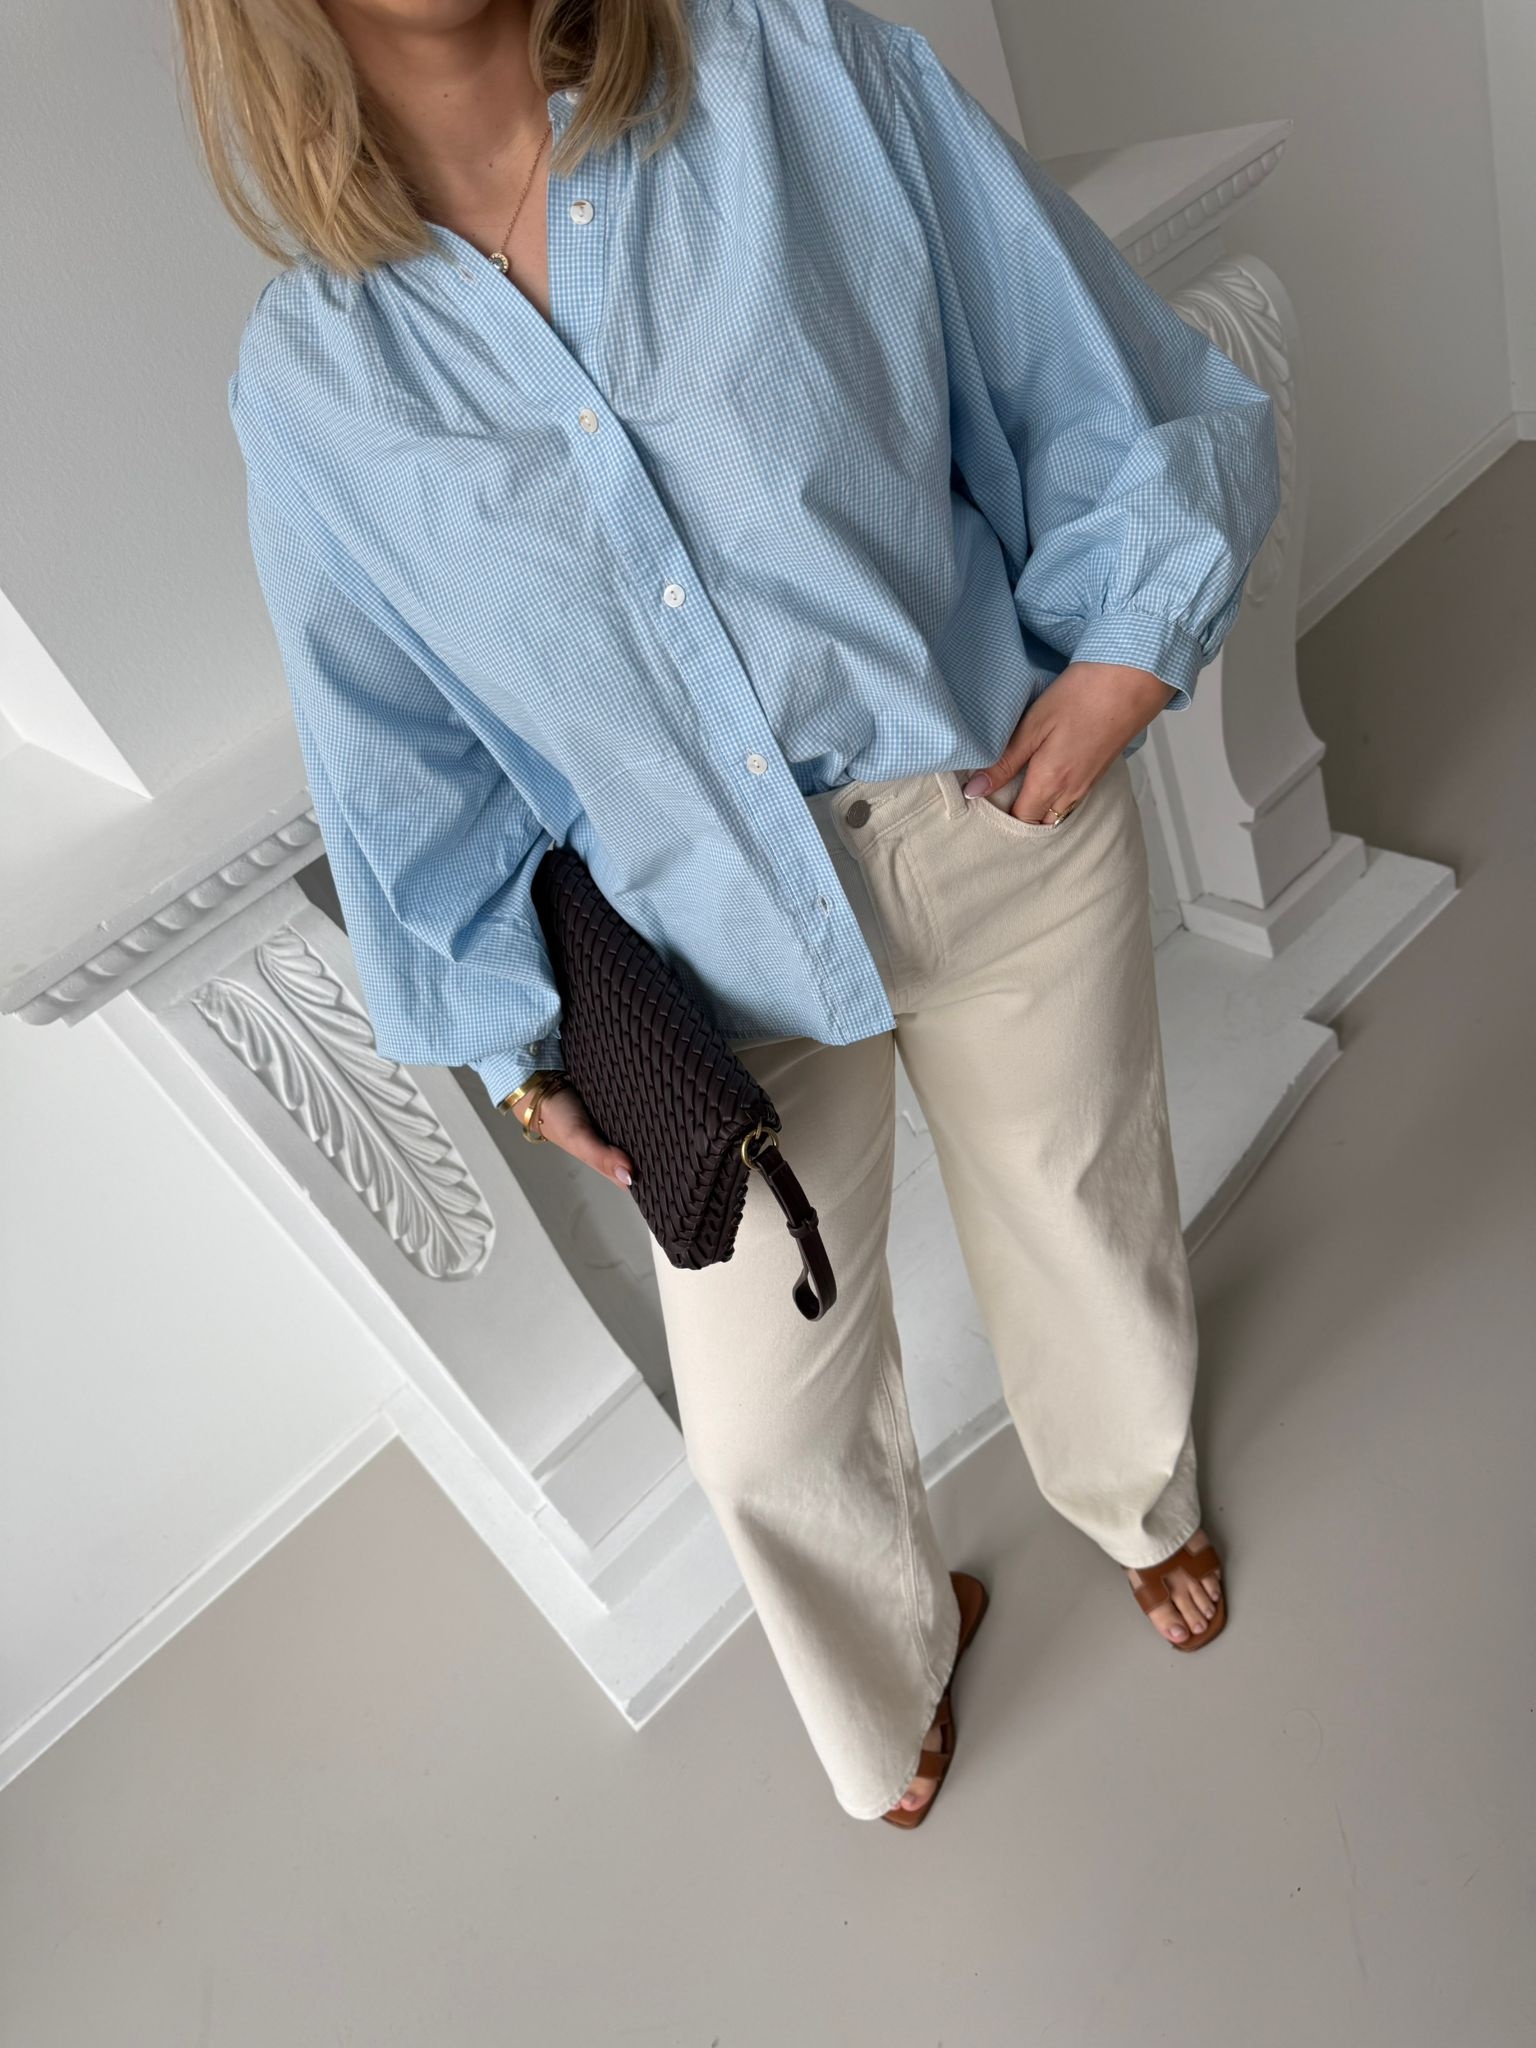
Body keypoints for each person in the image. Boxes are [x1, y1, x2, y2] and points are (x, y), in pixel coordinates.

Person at [184, 0, 1281, 1825]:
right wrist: (518, 1041)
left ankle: (1136, 1500)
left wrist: (1123, 651)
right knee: (760, 1428)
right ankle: (892, 1668)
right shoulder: (313, 379)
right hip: (701, 959)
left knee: (1080, 1221)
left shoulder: (792, 73)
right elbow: (395, 750)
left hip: (984, 811)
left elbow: (1066, 350)